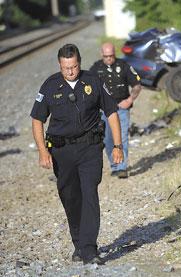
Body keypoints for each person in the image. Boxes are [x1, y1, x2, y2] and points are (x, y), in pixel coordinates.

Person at [30, 43, 123, 265]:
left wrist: (118, 146)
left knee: (89, 192)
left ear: (79, 63)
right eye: (65, 68)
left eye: (73, 67)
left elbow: (111, 113)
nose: (70, 72)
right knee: (71, 197)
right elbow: (36, 120)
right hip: (61, 151)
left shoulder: (93, 81)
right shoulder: (50, 85)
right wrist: (43, 151)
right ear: (60, 65)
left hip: (90, 148)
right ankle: (79, 244)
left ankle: (90, 248)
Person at [90, 42, 141, 178]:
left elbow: (136, 85)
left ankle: (122, 167)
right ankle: (115, 165)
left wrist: (130, 100)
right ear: (102, 54)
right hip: (105, 110)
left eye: (111, 56)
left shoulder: (123, 66)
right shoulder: (95, 68)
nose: (109, 59)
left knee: (122, 137)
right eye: (106, 56)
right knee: (108, 140)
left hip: (121, 108)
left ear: (115, 54)